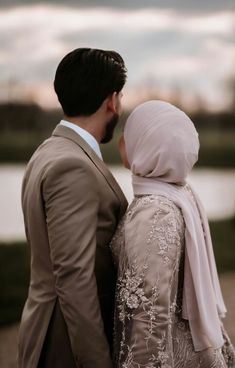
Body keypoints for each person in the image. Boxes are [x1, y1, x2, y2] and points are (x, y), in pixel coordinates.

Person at [18, 48, 128, 368]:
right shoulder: (73, 165)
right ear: (112, 100)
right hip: (65, 343)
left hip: (48, 328)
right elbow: (74, 277)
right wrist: (97, 361)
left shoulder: (49, 150)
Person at [110, 100, 235, 367]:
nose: (123, 139)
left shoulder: (154, 210)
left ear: (149, 145)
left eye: (131, 133)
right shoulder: (180, 193)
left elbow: (148, 311)